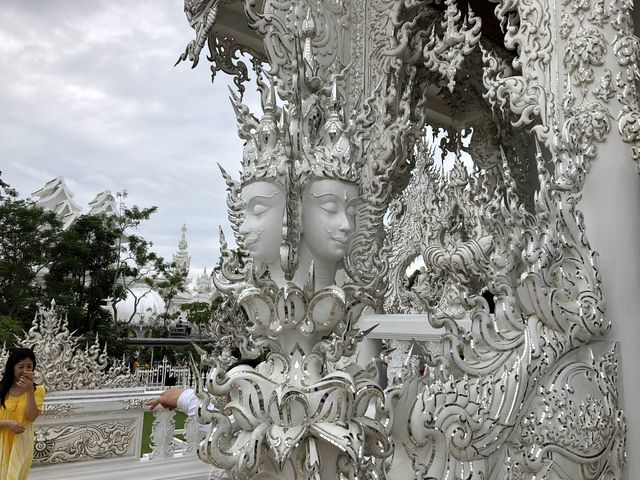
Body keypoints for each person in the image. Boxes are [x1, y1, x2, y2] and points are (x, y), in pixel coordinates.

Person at [0, 348, 45, 480]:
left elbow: (31, 417)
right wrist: (7, 423)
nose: (25, 370)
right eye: (21, 366)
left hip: (22, 442)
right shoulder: (2, 389)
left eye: (29, 366)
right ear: (12, 367)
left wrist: (29, 391)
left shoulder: (38, 390)